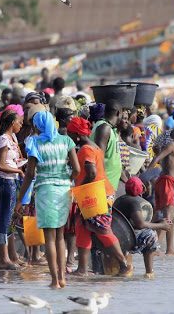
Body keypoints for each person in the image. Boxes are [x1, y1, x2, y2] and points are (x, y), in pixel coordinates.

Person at [16, 111, 81, 288]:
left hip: (45, 191)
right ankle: (63, 278)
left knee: (49, 238)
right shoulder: (66, 141)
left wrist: (20, 200)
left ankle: (54, 280)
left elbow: (29, 174)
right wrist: (67, 179)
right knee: (60, 236)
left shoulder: (34, 142)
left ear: (37, 126)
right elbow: (76, 168)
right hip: (64, 191)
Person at [66, 116, 130, 277]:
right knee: (82, 227)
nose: (69, 137)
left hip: (96, 194)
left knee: (101, 228)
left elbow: (92, 172)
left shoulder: (86, 150)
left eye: (70, 134)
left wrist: (80, 188)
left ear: (77, 136)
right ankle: (81, 269)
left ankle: (123, 264)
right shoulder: (94, 147)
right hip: (98, 192)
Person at [114, 177, 171, 278]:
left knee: (148, 229)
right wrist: (162, 225)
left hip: (117, 236)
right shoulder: (134, 202)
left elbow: (131, 223)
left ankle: (125, 267)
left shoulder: (119, 200)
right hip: (128, 239)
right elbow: (140, 224)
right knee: (150, 235)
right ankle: (149, 272)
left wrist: (157, 223)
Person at [0, 111, 25, 270]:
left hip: (11, 181)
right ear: (12, 123)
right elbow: (1, 165)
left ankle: (10, 256)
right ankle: (3, 258)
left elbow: (10, 161)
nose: (21, 125)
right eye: (19, 122)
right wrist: (19, 171)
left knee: (9, 219)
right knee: (4, 220)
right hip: (5, 181)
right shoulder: (3, 139)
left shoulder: (12, 138)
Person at [92, 102, 125, 191]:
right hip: (103, 187)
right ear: (118, 113)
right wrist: (104, 184)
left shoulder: (110, 128)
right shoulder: (104, 128)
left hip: (109, 186)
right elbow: (99, 159)